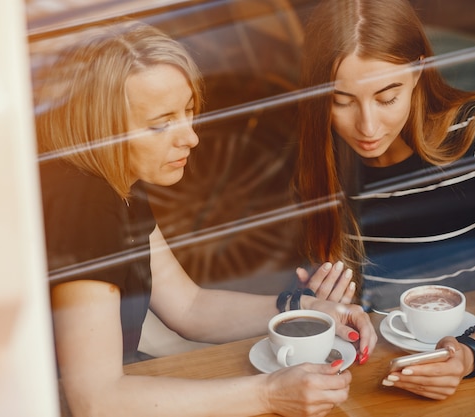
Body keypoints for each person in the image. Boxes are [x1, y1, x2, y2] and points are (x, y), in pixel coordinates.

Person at [36, 20, 377, 417]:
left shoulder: (114, 181)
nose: (190, 137)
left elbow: (189, 306)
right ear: (102, 128)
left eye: (188, 111)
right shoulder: (84, 206)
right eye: (161, 124)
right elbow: (95, 401)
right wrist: (268, 393)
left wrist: (303, 308)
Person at [294, 0, 475, 400]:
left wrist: (472, 353)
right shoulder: (321, 157)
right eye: (342, 101)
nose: (367, 126)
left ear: (418, 71)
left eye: (387, 98)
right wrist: (323, 304)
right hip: (375, 374)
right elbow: (338, 305)